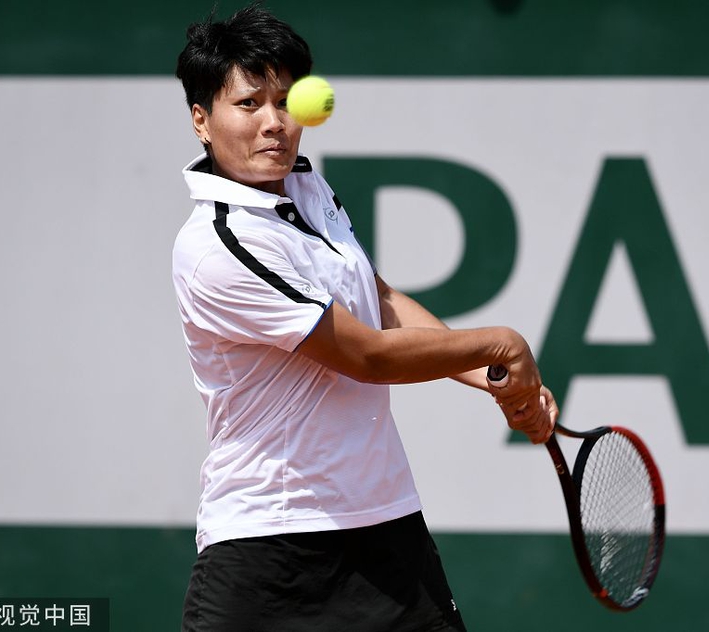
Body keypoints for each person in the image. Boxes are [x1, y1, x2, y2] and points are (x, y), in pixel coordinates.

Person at [172, 4, 558, 631]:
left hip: (386, 530)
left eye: (285, 101)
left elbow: (378, 301)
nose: (275, 123)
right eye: (248, 104)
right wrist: (501, 345)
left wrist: (495, 380)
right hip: (270, 551)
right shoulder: (218, 246)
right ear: (201, 120)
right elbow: (366, 356)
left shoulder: (307, 189)